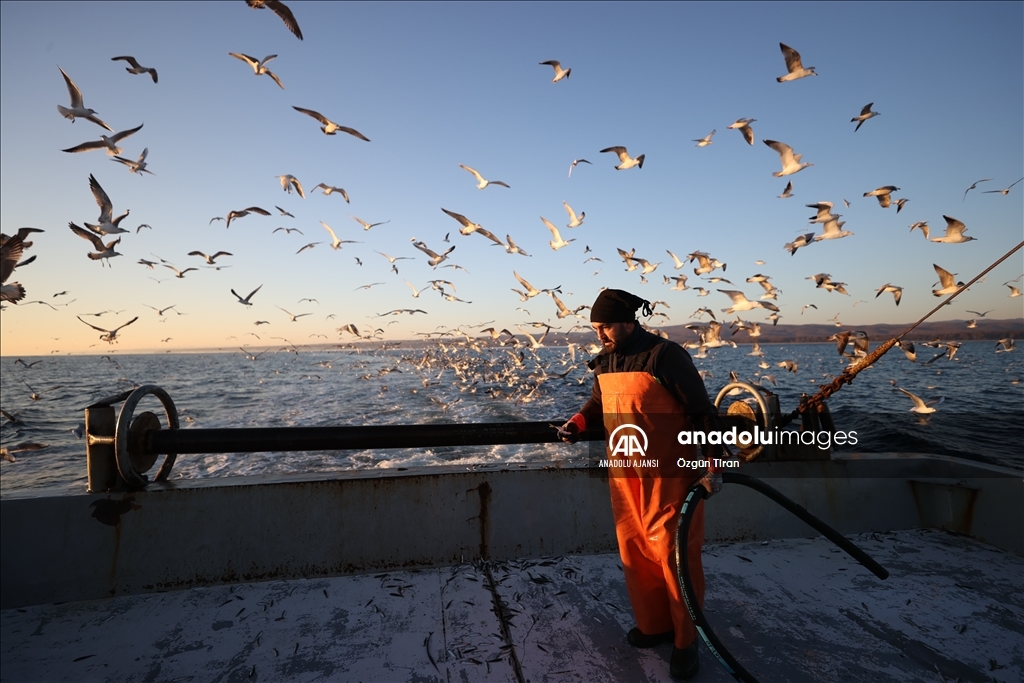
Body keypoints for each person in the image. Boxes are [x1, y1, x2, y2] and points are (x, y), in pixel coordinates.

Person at [559, 288, 722, 681]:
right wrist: (577, 424)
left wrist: (715, 463)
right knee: (635, 551)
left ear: (629, 321)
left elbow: (702, 411)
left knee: (674, 556)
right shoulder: (607, 361)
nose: (600, 334)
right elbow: (598, 403)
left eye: (607, 326)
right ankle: (655, 626)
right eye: (596, 327)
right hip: (625, 476)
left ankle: (686, 640)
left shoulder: (666, 356)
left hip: (670, 476)